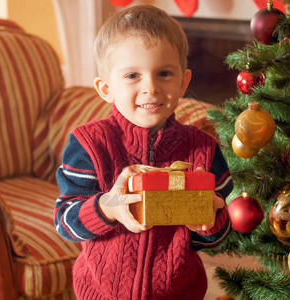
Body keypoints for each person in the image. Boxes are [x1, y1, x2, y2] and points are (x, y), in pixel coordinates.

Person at [54, 5, 233, 299]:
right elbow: (64, 221)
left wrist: (208, 222)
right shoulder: (89, 144)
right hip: (100, 293)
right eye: (132, 75)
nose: (150, 87)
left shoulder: (203, 149)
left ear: (183, 81)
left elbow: (219, 234)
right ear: (105, 88)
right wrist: (107, 207)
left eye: (164, 73)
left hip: (180, 293)